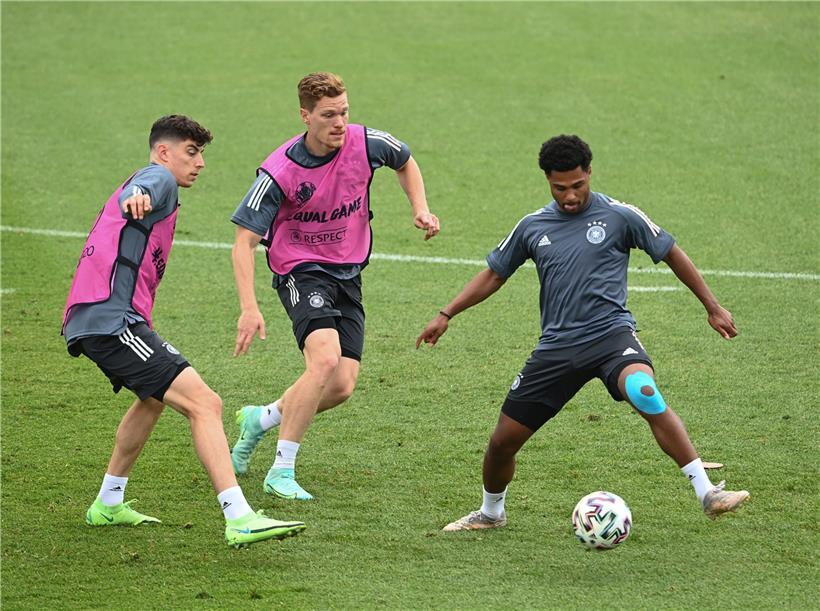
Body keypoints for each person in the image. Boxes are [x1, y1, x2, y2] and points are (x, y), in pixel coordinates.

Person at [416, 134, 749, 531]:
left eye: (578, 185)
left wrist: (711, 306)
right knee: (502, 442)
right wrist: (447, 312)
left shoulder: (620, 216)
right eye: (560, 188)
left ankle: (707, 492)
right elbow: (494, 274)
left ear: (589, 173)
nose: (570, 196)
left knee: (645, 392)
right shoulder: (532, 226)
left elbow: (672, 252)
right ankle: (491, 513)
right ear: (547, 181)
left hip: (611, 336)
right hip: (557, 349)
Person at [62, 115, 305, 547]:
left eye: (201, 154)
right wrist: (138, 195)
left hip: (102, 317)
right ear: (163, 151)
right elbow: (146, 186)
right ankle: (239, 515)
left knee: (151, 401)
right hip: (111, 319)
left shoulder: (155, 181)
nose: (200, 163)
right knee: (205, 403)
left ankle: (108, 503)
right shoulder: (158, 179)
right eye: (191, 152)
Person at [230, 72, 440, 500]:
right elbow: (243, 242)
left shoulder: (366, 142)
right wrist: (249, 307)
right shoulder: (280, 171)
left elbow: (405, 160)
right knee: (323, 360)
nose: (339, 122)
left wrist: (420, 208)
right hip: (300, 271)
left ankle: (260, 419)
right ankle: (281, 470)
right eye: (328, 115)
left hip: (348, 272)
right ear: (305, 116)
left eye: (344, 111)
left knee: (341, 385)